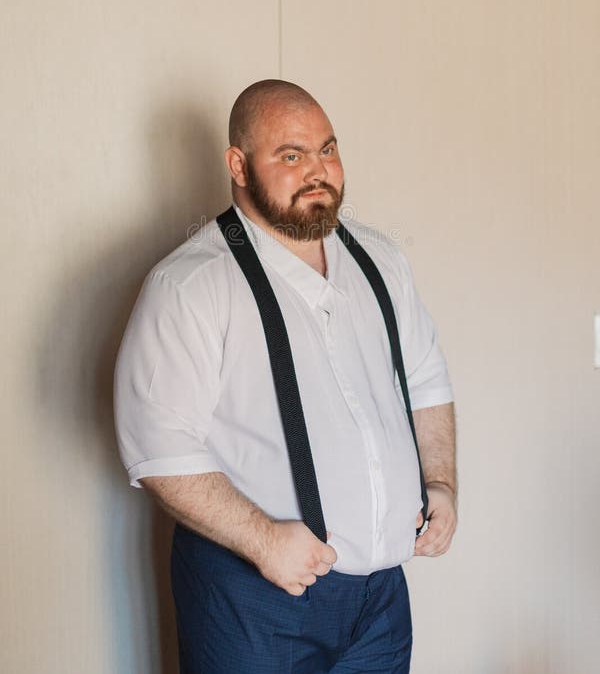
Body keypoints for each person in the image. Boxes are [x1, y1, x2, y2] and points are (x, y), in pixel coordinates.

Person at [114, 79, 457, 673]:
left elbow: (425, 380)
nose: (317, 171)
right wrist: (262, 539)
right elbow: (157, 447)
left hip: (380, 605)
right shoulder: (191, 284)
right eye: (291, 155)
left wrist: (442, 483)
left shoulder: (382, 261)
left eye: (327, 149)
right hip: (251, 603)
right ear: (238, 166)